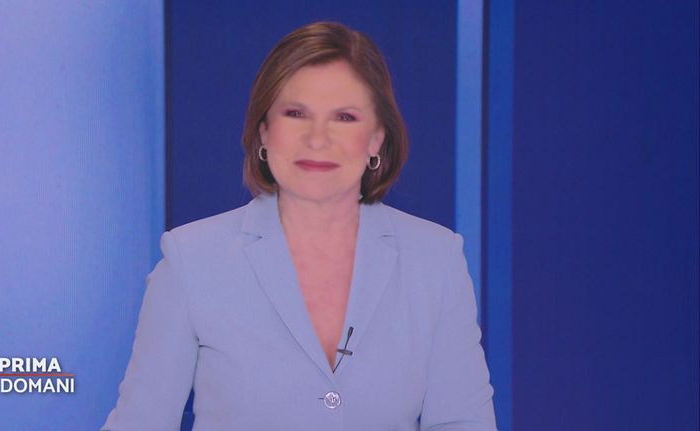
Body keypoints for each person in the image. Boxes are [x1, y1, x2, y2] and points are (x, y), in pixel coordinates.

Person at [102, 21, 496, 431]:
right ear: (264, 132)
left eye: (344, 117)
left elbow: (463, 422)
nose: (317, 138)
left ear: (376, 139)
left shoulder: (435, 258)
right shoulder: (191, 260)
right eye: (296, 114)